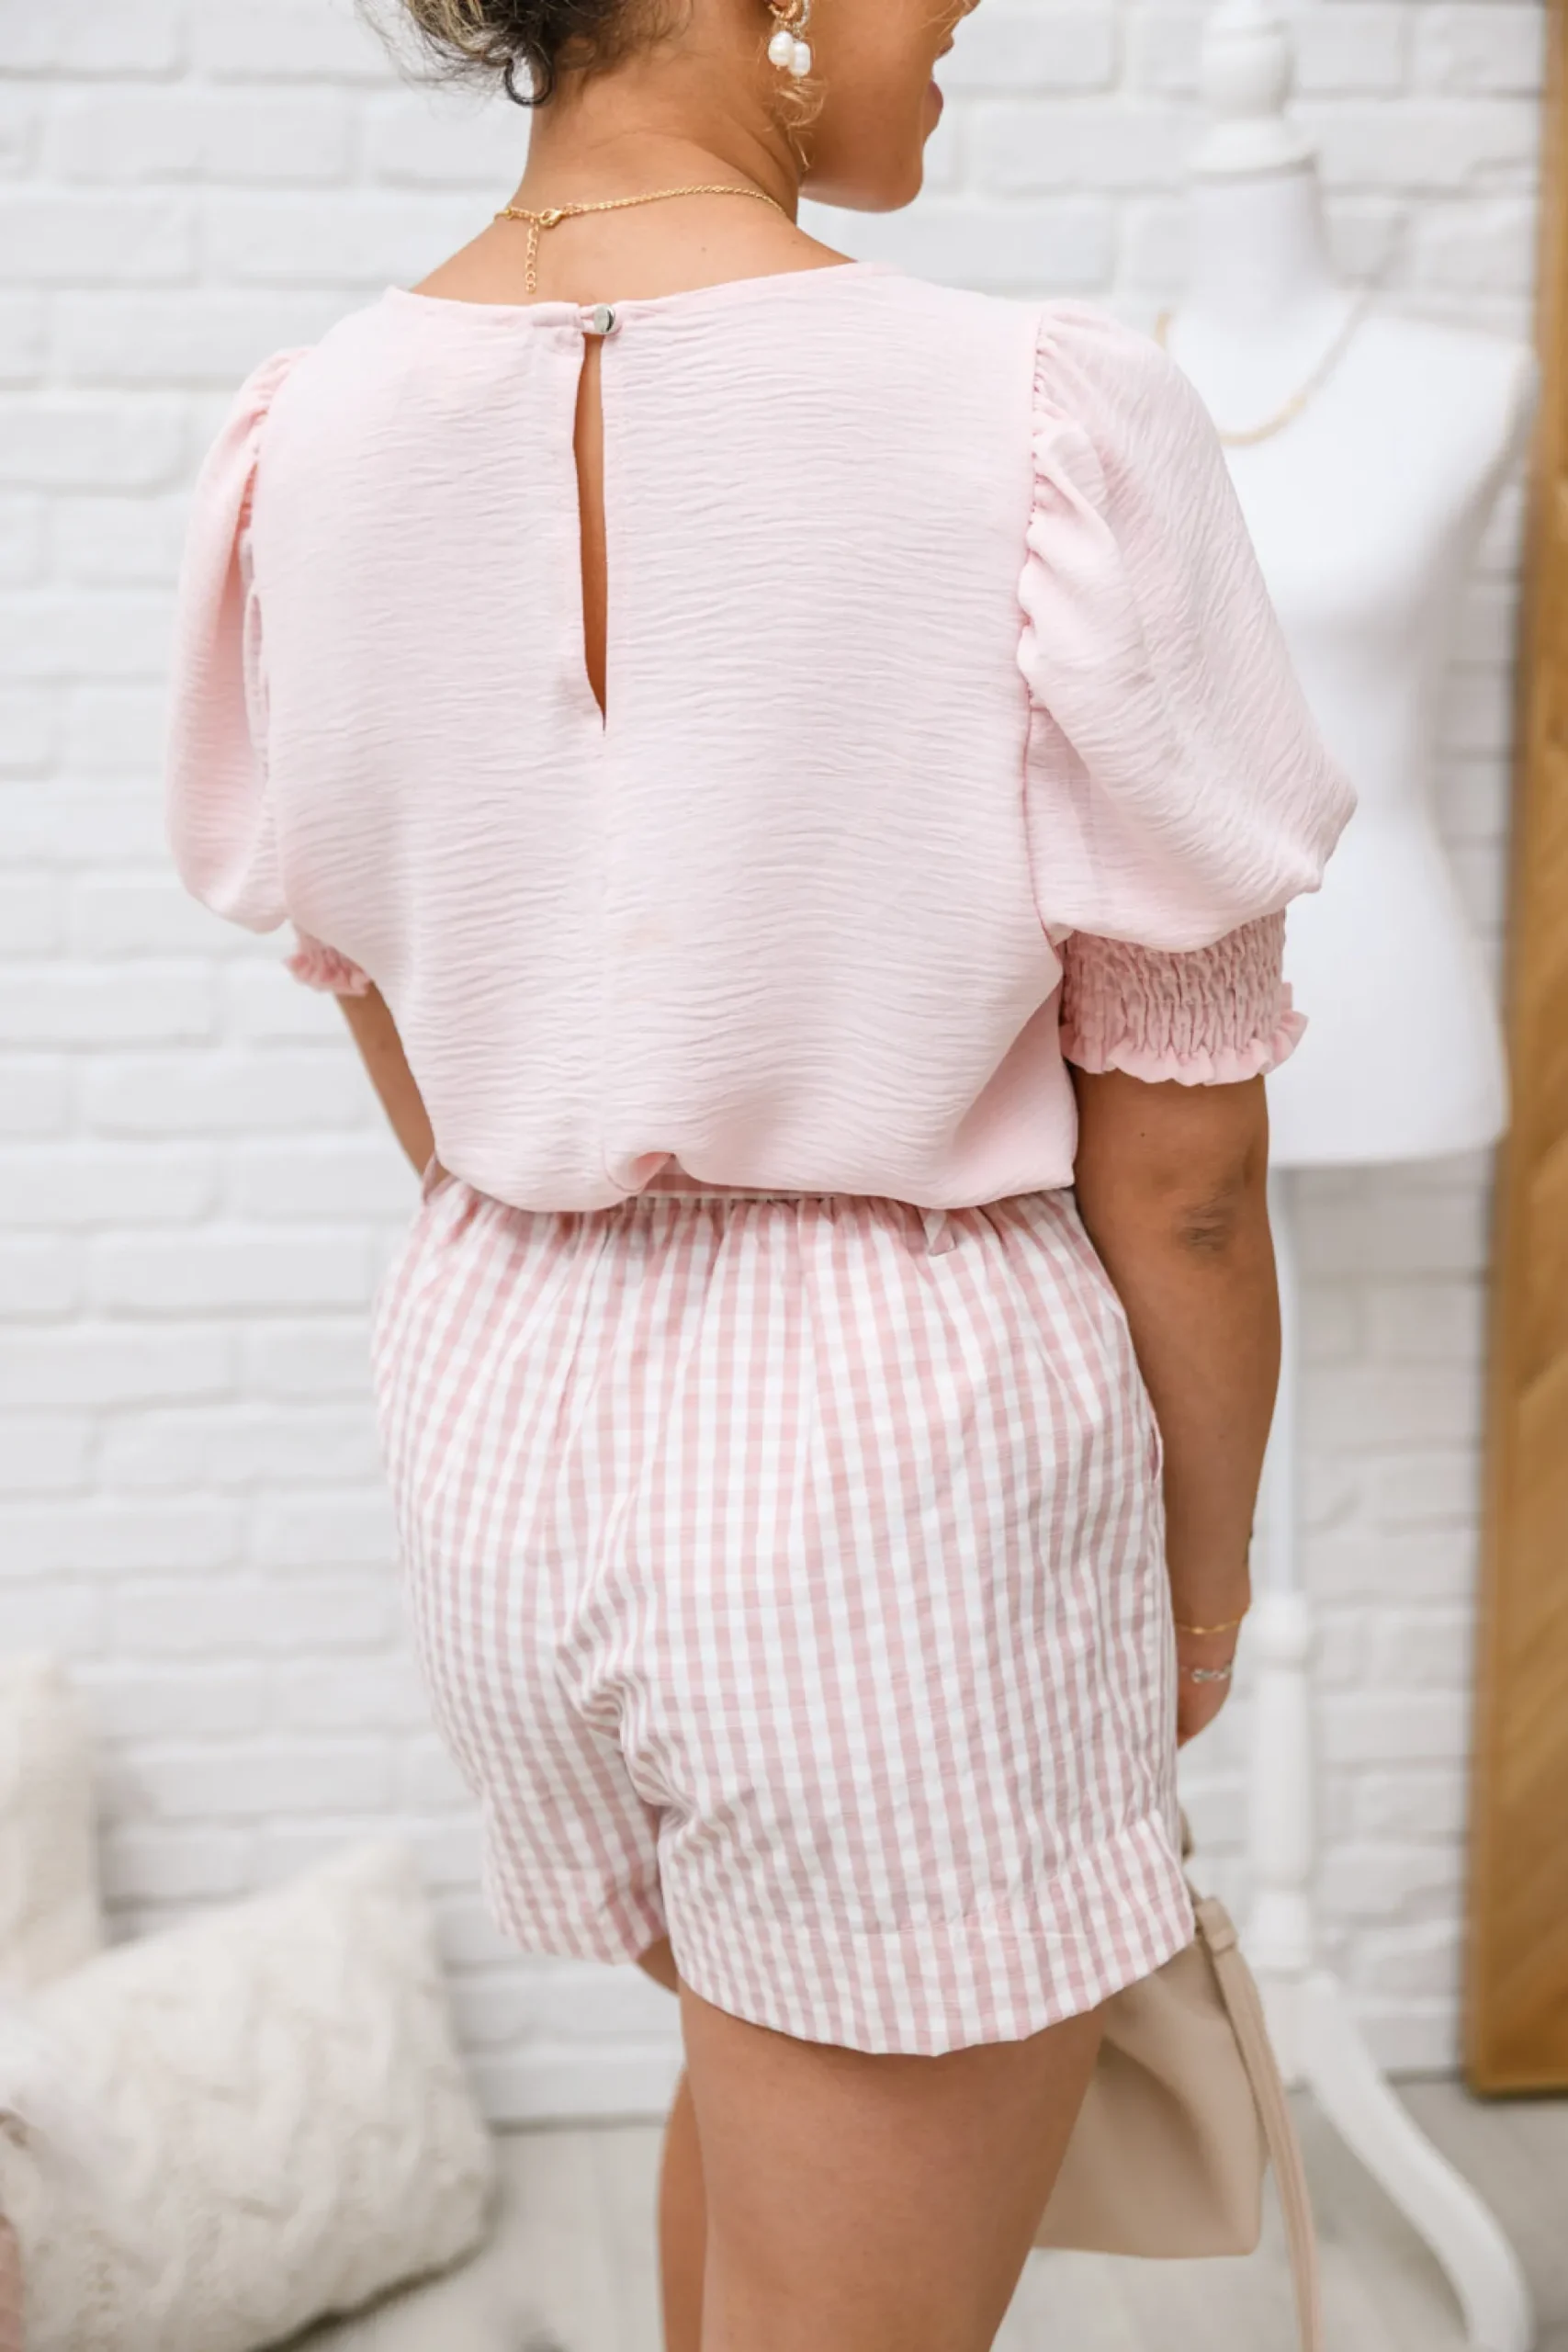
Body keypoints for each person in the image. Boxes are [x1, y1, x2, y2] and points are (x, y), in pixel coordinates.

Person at [164, 2, 1354, 2344]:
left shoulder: (307, 432)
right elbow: (1186, 1178)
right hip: (891, 1464)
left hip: (503, 1402)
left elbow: (380, 986)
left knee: (757, 2101)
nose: (964, 11)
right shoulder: (1041, 413)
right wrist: (1196, 1593)